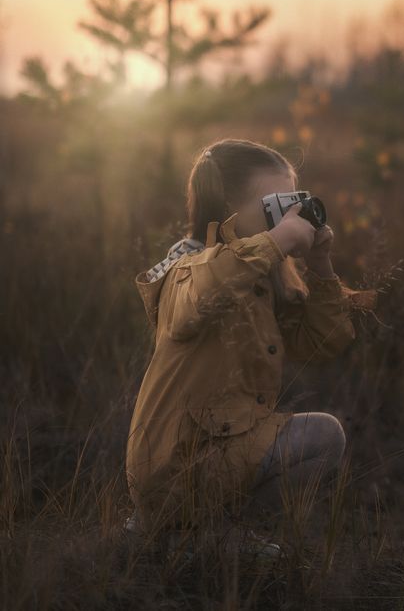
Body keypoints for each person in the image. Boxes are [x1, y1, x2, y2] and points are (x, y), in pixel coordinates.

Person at [124, 138, 375, 556]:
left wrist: (321, 263)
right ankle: (191, 533)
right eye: (275, 204)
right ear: (228, 209)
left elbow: (322, 343)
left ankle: (204, 532)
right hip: (175, 463)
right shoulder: (187, 267)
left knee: (327, 436)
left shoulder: (266, 276)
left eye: (294, 201)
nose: (289, 215)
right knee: (323, 435)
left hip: (224, 447)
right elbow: (206, 292)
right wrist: (275, 242)